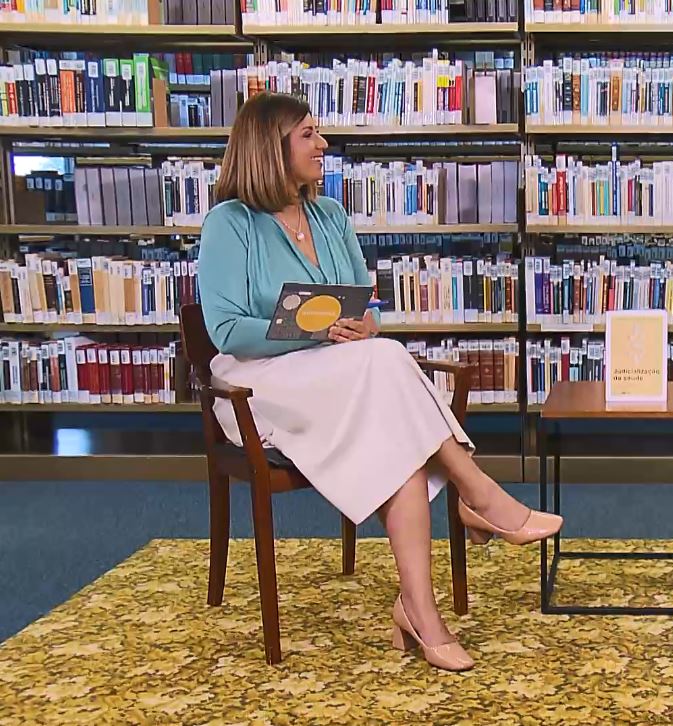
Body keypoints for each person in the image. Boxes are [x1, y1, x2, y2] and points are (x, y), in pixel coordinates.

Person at [197, 91, 562, 673]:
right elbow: (224, 329)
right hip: (259, 383)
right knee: (388, 366)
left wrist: (364, 326)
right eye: (309, 134)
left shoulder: (330, 215)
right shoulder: (229, 223)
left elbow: (363, 304)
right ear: (270, 147)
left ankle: (420, 610)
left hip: (339, 373)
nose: (323, 144)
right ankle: (478, 493)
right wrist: (315, 333)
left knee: (396, 413)